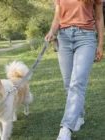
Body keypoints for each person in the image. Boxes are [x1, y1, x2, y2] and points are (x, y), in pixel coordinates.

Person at [45, 0, 104, 140]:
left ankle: (66, 128)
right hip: (63, 38)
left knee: (77, 83)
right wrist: (51, 32)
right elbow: (57, 18)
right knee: (68, 83)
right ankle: (78, 116)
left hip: (86, 38)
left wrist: (100, 44)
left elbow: (100, 18)